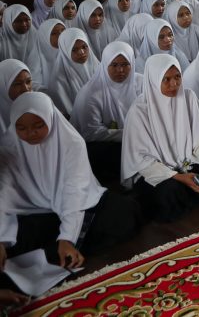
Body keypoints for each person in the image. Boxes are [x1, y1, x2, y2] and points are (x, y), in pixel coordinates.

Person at [0, 92, 141, 273]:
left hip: (74, 204)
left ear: (50, 119)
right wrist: (1, 239)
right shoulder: (8, 147)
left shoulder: (72, 143)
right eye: (21, 128)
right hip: (31, 210)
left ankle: (62, 248)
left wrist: (67, 238)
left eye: (38, 125)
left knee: (122, 214)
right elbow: (3, 193)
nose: (30, 133)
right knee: (16, 240)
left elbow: (75, 191)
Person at [121, 55, 199, 222]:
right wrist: (177, 176)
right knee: (170, 191)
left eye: (177, 77)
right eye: (167, 79)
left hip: (188, 162)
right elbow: (142, 161)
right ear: (154, 80)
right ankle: (194, 192)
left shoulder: (188, 97)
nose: (174, 84)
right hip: (158, 172)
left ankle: (194, 192)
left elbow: (198, 138)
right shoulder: (139, 111)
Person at [70, 42, 143, 182]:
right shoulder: (90, 94)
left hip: (139, 137)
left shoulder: (141, 83)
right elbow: (92, 132)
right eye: (114, 65)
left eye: (125, 64)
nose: (120, 70)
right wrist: (129, 134)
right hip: (105, 143)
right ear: (105, 65)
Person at [47, 28, 98, 116]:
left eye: (84, 47)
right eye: (74, 49)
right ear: (65, 50)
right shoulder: (58, 81)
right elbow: (67, 113)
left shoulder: (98, 67)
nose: (82, 52)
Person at [0, 5, 43, 82]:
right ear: (8, 22)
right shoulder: (1, 40)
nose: (24, 24)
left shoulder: (35, 36)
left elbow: (38, 67)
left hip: (31, 81)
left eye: (27, 20)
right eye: (18, 21)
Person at [0, 60, 33, 138]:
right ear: (2, 87)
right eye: (17, 84)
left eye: (28, 82)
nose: (26, 89)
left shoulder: (40, 105)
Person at [33, 19, 65, 89]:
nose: (60, 35)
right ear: (44, 37)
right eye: (54, 33)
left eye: (63, 31)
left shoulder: (70, 52)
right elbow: (33, 85)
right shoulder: (35, 59)